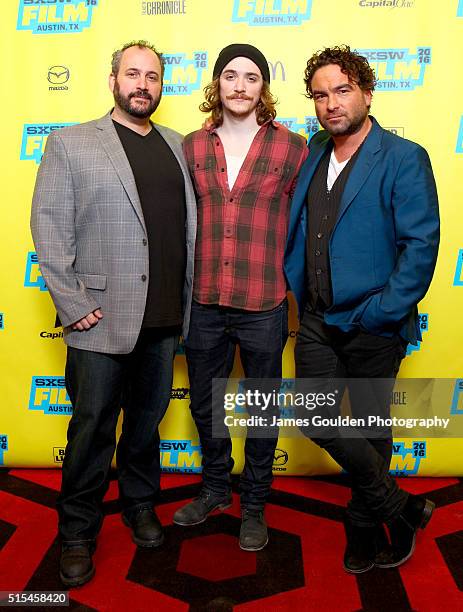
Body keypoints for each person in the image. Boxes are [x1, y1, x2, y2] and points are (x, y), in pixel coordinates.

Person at [30, 40, 196, 587]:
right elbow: (49, 228)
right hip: (99, 319)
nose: (142, 84)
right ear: (113, 81)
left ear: (161, 84)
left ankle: (139, 505)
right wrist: (73, 305)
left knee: (145, 427)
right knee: (92, 431)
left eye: (152, 75)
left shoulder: (178, 145)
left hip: (165, 317)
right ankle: (77, 531)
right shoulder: (72, 142)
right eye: (132, 73)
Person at [284, 45, 439, 573]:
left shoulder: (402, 156)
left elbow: (420, 246)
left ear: (367, 93)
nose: (331, 103)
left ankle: (365, 525)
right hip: (316, 318)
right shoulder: (311, 151)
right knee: (314, 413)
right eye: (321, 94)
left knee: (372, 428)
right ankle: (401, 505)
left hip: (374, 320)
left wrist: (382, 312)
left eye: (342, 90)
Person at [172, 44, 307, 551]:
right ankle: (213, 489)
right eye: (231, 76)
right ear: (217, 83)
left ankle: (254, 504)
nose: (240, 86)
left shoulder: (293, 148)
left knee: (262, 410)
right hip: (204, 299)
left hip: (264, 302)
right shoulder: (191, 146)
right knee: (208, 405)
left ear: (263, 88)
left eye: (251, 77)